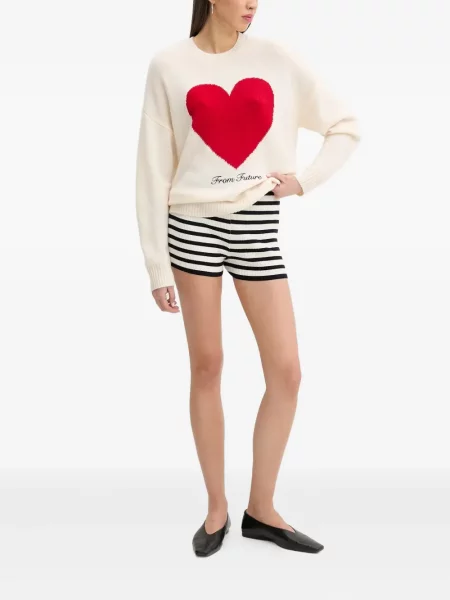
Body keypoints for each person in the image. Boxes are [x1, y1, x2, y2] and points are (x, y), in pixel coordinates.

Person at [135, 0, 361, 557]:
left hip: (256, 221)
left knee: (286, 371)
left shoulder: (276, 58)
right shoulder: (169, 65)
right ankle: (217, 510)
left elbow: (344, 126)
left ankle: (261, 509)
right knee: (207, 364)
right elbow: (153, 167)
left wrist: (303, 181)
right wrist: (156, 264)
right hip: (191, 223)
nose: (253, 3)